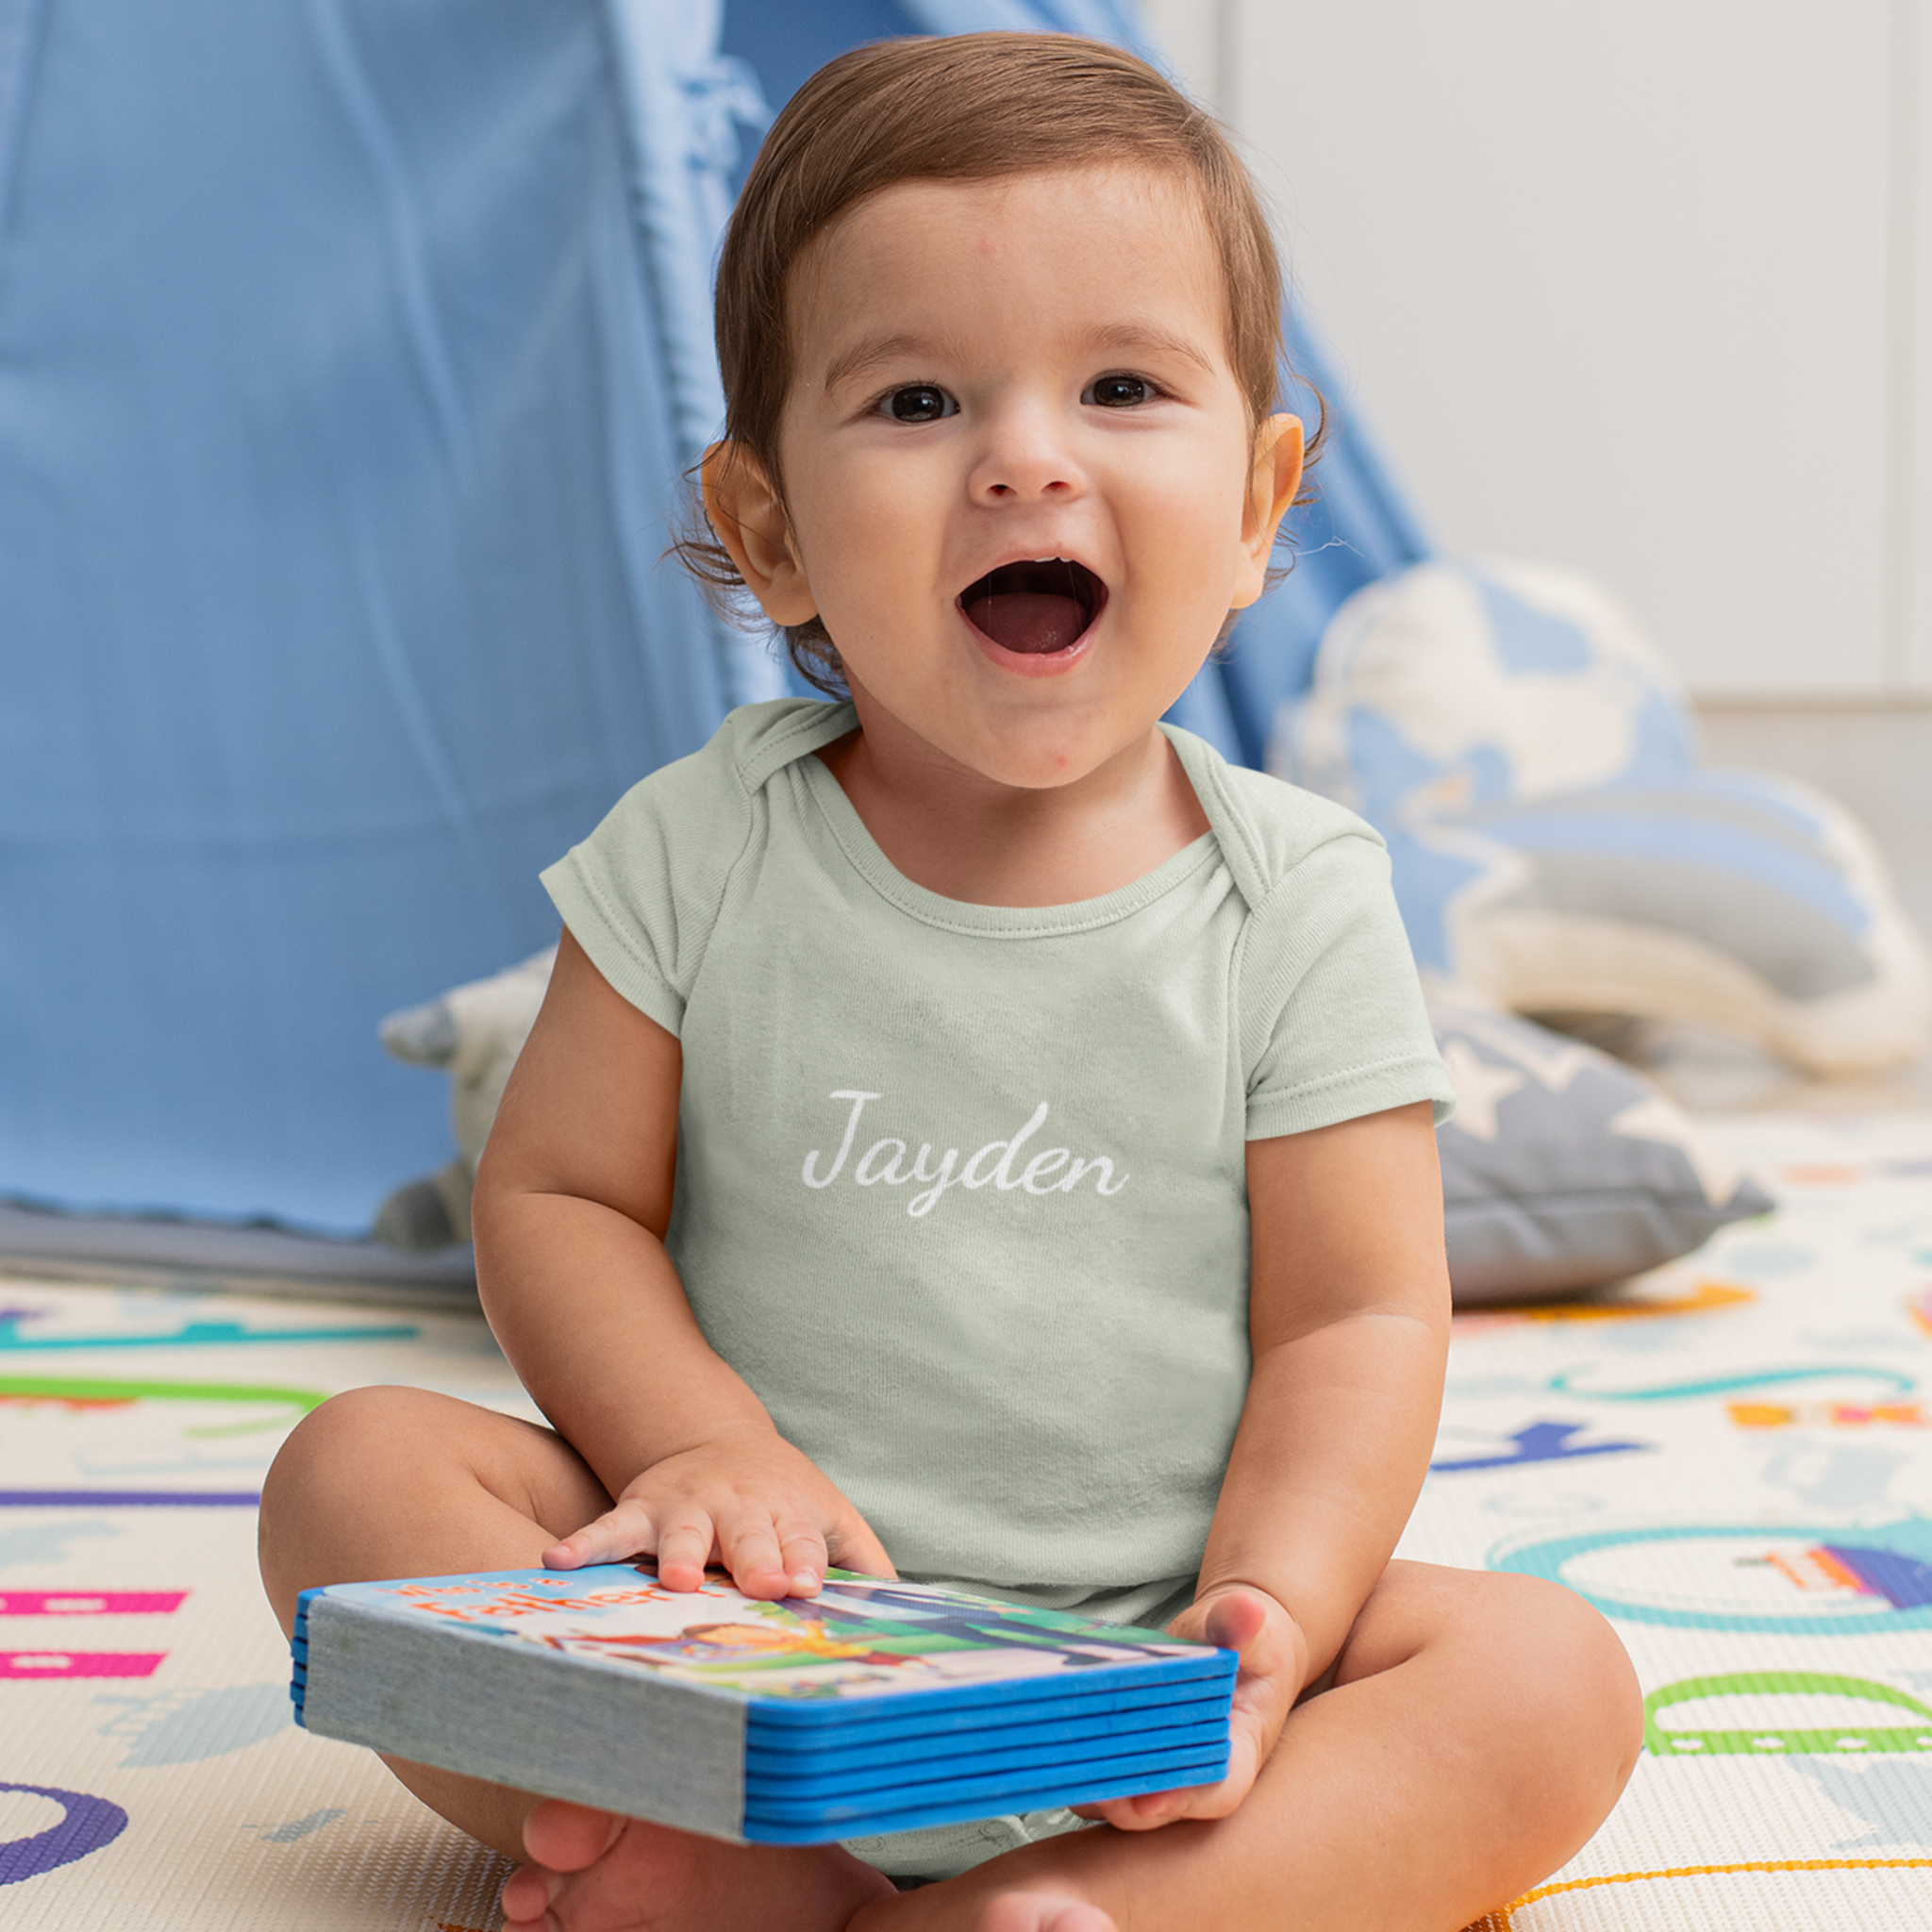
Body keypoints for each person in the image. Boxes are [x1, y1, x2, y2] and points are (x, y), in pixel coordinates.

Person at [258, 32, 1641, 1932]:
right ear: (771, 533)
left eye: (1123, 385)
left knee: (1545, 1679)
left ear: (1256, 502)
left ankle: (1075, 1905)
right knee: (359, 1471)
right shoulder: (692, 850)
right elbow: (564, 1194)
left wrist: (1274, 1612)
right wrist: (694, 1446)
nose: (1022, 454)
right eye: (914, 398)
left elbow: (1356, 1320)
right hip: (749, 1624)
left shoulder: (1298, 897)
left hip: (1151, 1649)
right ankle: (747, 1834)